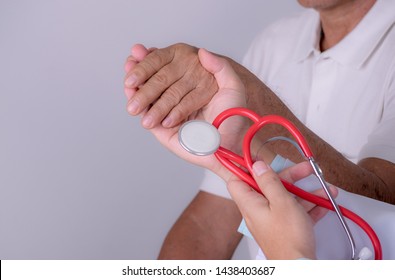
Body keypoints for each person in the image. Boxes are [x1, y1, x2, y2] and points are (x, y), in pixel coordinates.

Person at [124, 0, 395, 259]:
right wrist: (229, 151)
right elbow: (209, 224)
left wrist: (248, 92)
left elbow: (384, 204)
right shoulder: (275, 42)